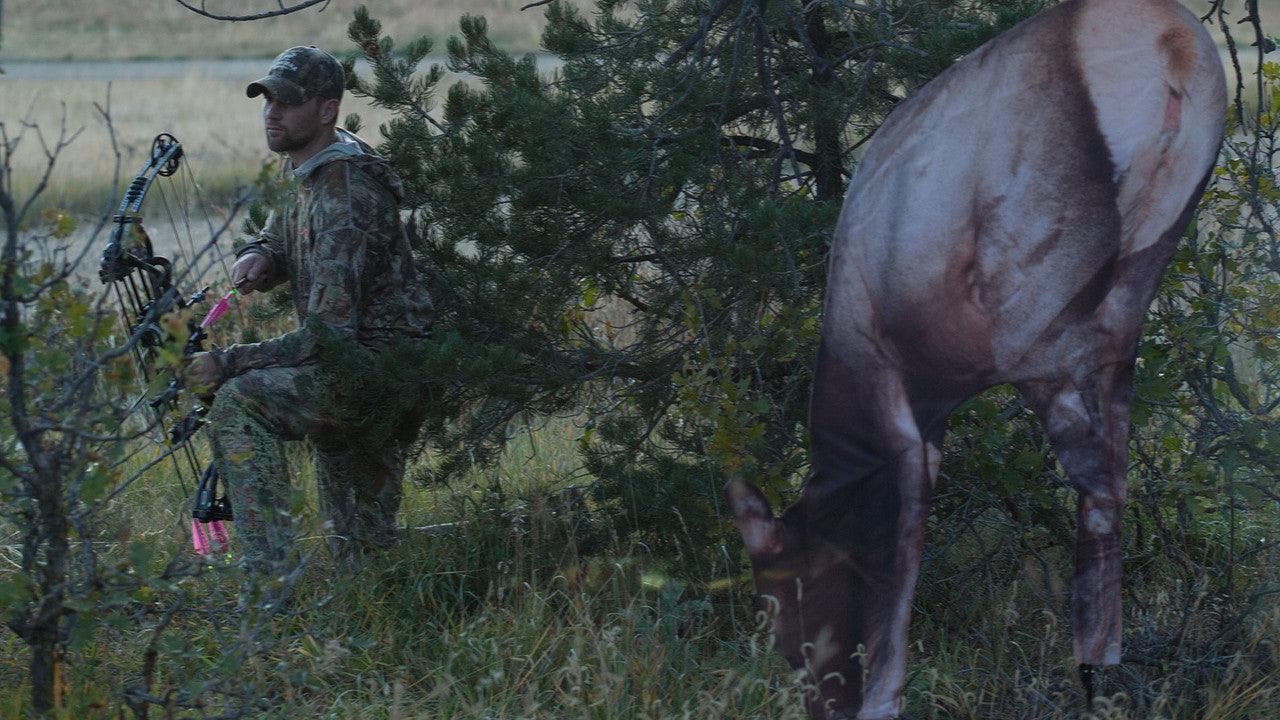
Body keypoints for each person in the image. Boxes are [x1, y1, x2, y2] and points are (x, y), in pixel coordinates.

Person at [184, 46, 435, 574]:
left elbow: (327, 337)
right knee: (361, 561)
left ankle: (271, 585)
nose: (272, 114)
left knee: (237, 402)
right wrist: (261, 256)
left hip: (374, 375)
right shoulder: (313, 168)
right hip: (361, 371)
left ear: (327, 110)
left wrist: (226, 363)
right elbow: (279, 235)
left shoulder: (346, 192)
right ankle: (357, 612)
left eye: (288, 103)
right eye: (267, 100)